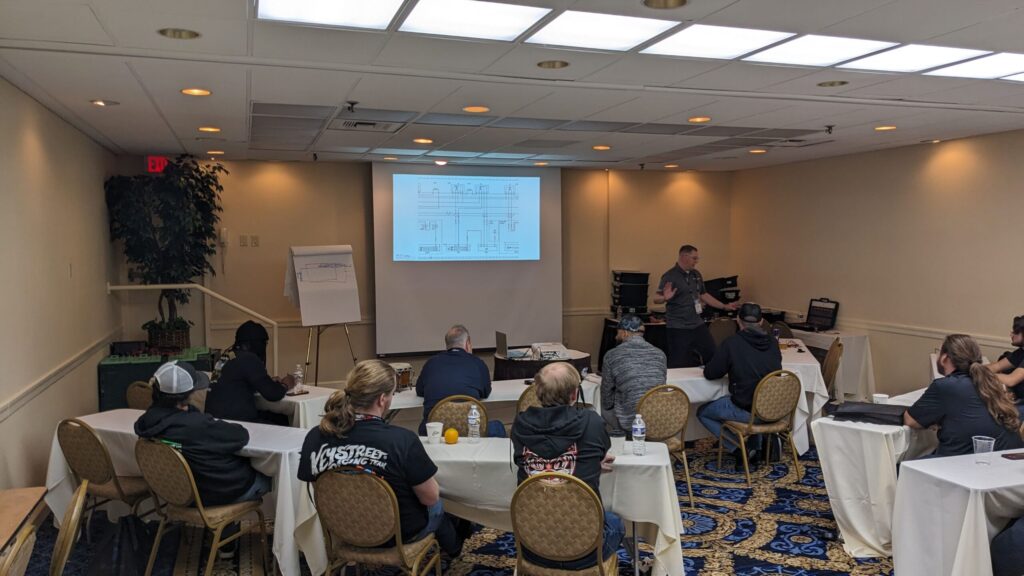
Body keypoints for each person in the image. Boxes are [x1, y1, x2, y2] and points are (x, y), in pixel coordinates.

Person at [298, 360, 467, 557]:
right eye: (392, 394)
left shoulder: (316, 436)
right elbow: (430, 498)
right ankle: (455, 549)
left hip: (341, 529)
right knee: (438, 503)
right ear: (381, 399)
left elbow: (315, 488)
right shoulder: (401, 440)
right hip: (397, 535)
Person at [135, 360, 271, 556]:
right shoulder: (198, 426)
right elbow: (240, 436)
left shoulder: (147, 421)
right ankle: (285, 546)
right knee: (271, 473)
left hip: (175, 494)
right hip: (214, 492)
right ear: (188, 395)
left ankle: (225, 539)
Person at [511, 362, 623, 569]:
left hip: (532, 547)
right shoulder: (592, 422)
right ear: (574, 395)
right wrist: (592, 462)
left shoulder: (520, 424)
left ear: (538, 392)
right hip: (586, 552)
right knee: (615, 521)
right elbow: (598, 450)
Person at [905, 334, 1024, 457]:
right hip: (1008, 462)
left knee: (900, 468)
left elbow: (911, 421)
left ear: (944, 358)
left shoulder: (946, 386)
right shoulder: (993, 382)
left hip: (967, 463)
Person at [697, 303, 782, 462]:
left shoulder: (732, 343)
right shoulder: (773, 343)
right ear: (762, 321)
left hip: (747, 411)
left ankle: (739, 449)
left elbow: (711, 373)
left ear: (738, 320)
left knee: (702, 412)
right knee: (749, 398)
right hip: (774, 409)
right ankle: (756, 448)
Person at [654, 244, 739, 368]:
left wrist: (724, 306)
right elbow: (656, 298)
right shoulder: (670, 276)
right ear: (684, 256)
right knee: (679, 363)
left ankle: (711, 381)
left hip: (697, 324)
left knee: (712, 354)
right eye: (694, 258)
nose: (696, 261)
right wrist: (664, 298)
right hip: (678, 326)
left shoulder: (696, 274)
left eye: (697, 258)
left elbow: (704, 294)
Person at [416, 324, 504, 437]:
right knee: (498, 427)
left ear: (447, 345)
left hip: (436, 433)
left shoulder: (430, 364)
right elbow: (486, 392)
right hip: (471, 431)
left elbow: (419, 391)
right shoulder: (478, 364)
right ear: (468, 344)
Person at [205, 320, 295, 425]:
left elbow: (236, 383)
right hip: (237, 423)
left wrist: (266, 381)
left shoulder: (225, 357)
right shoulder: (249, 358)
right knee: (283, 420)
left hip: (214, 421)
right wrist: (286, 384)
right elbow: (273, 394)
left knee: (275, 417)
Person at [600, 314, 667, 436]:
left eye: (618, 332)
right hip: (658, 417)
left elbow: (606, 398)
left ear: (625, 333)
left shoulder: (612, 355)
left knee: (602, 407)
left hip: (630, 420)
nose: (616, 337)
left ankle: (620, 439)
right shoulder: (660, 354)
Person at [985, 315, 1024, 404]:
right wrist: (972, 368)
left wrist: (979, 374)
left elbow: (1011, 380)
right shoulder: (1021, 352)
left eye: (1015, 332)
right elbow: (997, 366)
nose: (1011, 335)